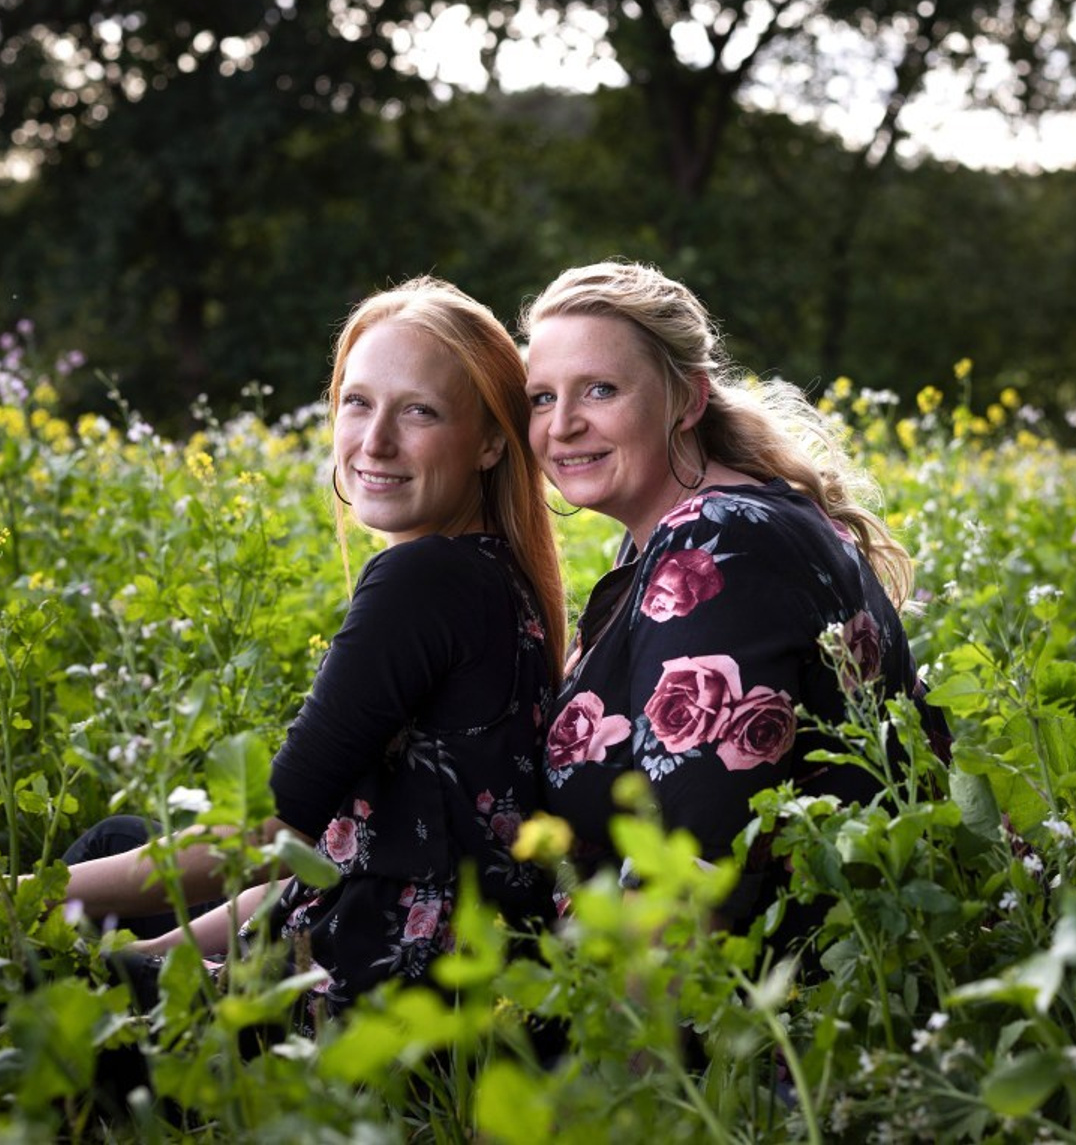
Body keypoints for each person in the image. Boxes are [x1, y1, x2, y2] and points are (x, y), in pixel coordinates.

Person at [45, 276, 566, 1035]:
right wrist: (164, 946)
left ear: (491, 440)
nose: (374, 442)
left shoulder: (424, 580)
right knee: (117, 846)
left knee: (41, 951)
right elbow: (332, 855)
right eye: (357, 402)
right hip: (409, 954)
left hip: (369, 1006)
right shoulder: (492, 570)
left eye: (418, 410)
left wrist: (22, 894)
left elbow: (266, 838)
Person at [520, 259, 946, 937]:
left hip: (784, 1012)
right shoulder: (684, 532)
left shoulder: (717, 541)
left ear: (687, 400)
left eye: (599, 390)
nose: (562, 424)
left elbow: (689, 887)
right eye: (542, 398)